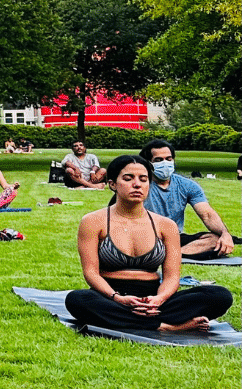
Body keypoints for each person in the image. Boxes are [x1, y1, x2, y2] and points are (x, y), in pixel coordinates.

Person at [64, 155, 232, 333]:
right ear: (112, 184)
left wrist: (158, 299)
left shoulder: (166, 226)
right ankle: (166, 326)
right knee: (78, 299)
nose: (137, 184)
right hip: (110, 296)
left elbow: (172, 277)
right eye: (128, 179)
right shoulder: (92, 221)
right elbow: (91, 272)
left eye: (143, 179)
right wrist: (118, 298)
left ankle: (133, 320)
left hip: (154, 298)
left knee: (219, 295)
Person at [139, 139, 237, 259]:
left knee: (215, 240)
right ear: (148, 163)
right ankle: (172, 254)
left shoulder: (187, 185)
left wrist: (225, 234)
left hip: (174, 237)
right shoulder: (139, 185)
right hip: (145, 236)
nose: (165, 163)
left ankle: (170, 255)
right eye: (158, 160)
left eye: (168, 159)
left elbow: (207, 214)